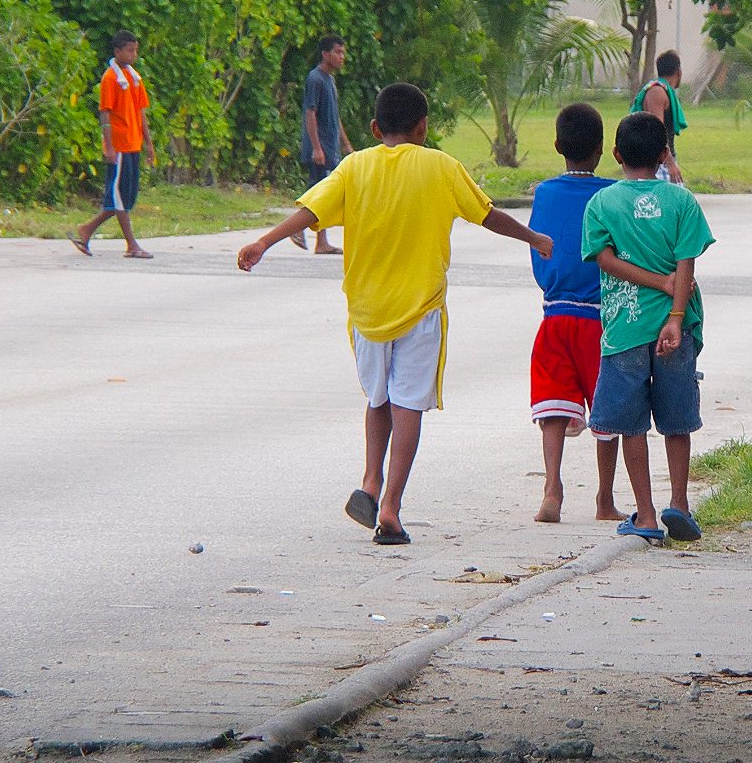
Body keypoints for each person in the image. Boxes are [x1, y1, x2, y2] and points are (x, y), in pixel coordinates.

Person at [236, 81, 552, 547]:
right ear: (424, 127)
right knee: (409, 405)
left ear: (374, 127)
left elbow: (310, 211)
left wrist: (264, 242)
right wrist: (535, 239)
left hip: (366, 311)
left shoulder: (354, 166)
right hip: (421, 309)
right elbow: (486, 215)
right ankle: (391, 507)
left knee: (378, 399)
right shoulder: (442, 167)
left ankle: (369, 479)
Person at [585, 110, 714, 542]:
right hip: (677, 327)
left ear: (617, 154)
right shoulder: (681, 202)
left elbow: (604, 259)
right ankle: (678, 502)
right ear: (664, 154)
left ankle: (644, 515)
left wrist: (652, 282)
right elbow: (686, 266)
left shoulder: (601, 203)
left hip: (624, 330)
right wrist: (675, 316)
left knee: (631, 424)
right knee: (676, 421)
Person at [528, 102, 621, 525]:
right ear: (602, 149)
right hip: (602, 317)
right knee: (609, 409)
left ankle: (553, 487)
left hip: (556, 314)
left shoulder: (545, 192)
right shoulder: (610, 195)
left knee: (553, 405)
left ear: (557, 145)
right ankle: (604, 497)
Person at [73, 31, 154, 260]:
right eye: (129, 50)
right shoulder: (110, 78)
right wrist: (108, 146)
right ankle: (131, 244)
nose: (133, 54)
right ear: (117, 52)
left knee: (125, 198)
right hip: (118, 145)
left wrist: (149, 143)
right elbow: (105, 114)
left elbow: (141, 113)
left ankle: (86, 230)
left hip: (133, 145)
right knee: (118, 197)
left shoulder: (134, 78)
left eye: (135, 50)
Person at [299, 34, 349, 256]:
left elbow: (335, 116)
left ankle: (322, 242)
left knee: (323, 191)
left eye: (343, 52)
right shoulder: (315, 79)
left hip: (331, 146)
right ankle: (299, 227)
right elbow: (310, 113)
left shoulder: (330, 80)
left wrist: (346, 144)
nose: (341, 57)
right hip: (320, 147)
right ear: (325, 54)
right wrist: (316, 147)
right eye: (337, 52)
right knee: (320, 192)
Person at [630, 49, 689, 183]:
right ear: (679, 72)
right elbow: (657, 132)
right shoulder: (657, 92)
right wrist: (670, 164)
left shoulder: (662, 90)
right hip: (656, 165)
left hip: (662, 161)